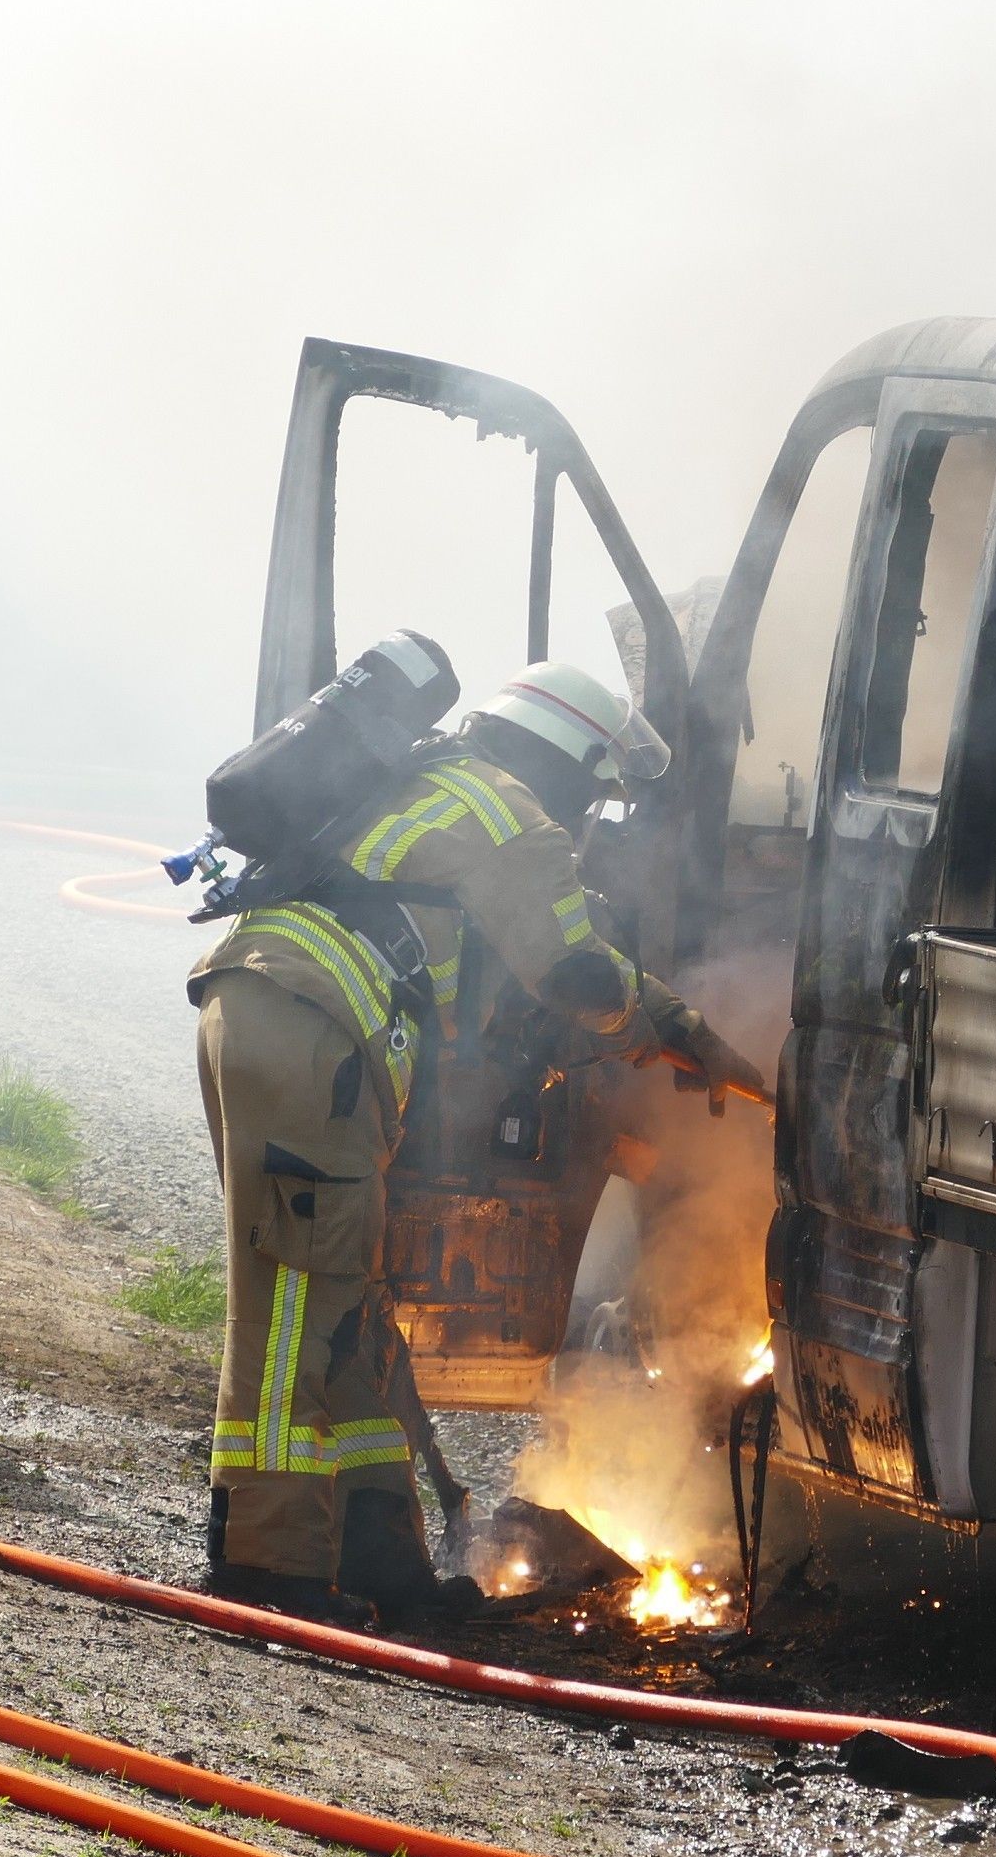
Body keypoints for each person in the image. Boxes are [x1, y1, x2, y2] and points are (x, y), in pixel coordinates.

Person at [186, 656, 766, 1621]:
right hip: (312, 1030)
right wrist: (670, 1038)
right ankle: (269, 1566)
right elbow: (575, 973)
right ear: (570, 764)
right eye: (596, 793)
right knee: (300, 1294)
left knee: (350, 1289)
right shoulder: (510, 818)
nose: (591, 817)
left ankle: (377, 1553)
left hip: (272, 1014)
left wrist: (680, 1030)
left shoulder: (430, 783)